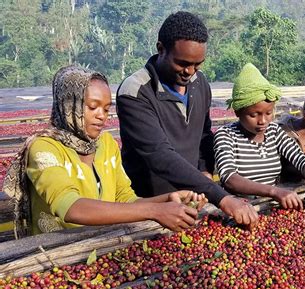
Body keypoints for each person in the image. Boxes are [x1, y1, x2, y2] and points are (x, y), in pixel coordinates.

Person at [3, 66, 207, 238]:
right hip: (55, 251)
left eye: (107, 109)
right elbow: (71, 207)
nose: (101, 116)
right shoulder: (44, 148)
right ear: (68, 104)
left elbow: (125, 198)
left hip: (103, 243)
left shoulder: (106, 144)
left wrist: (168, 199)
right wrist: (156, 211)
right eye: (92, 107)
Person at [116, 11, 258, 227]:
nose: (189, 72)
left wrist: (205, 172)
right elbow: (159, 155)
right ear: (161, 49)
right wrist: (221, 197)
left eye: (197, 65)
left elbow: (203, 134)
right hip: (150, 206)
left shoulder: (199, 83)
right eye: (182, 63)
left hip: (192, 201)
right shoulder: (135, 92)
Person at [214, 63, 305, 209]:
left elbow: (302, 159)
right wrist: (273, 191)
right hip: (239, 208)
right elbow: (229, 178)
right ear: (237, 112)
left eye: (268, 113)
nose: (263, 121)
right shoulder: (226, 135)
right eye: (254, 115)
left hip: (270, 205)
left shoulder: (274, 131)